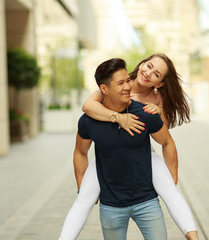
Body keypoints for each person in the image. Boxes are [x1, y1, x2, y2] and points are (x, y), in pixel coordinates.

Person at [59, 54, 199, 240]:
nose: (148, 73)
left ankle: (193, 236)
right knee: (84, 197)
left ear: (159, 83)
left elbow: (164, 137)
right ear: (141, 63)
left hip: (142, 152)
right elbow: (88, 107)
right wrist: (118, 118)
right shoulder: (117, 81)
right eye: (148, 66)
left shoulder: (156, 101)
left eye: (156, 74)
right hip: (108, 152)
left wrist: (172, 174)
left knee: (169, 190)